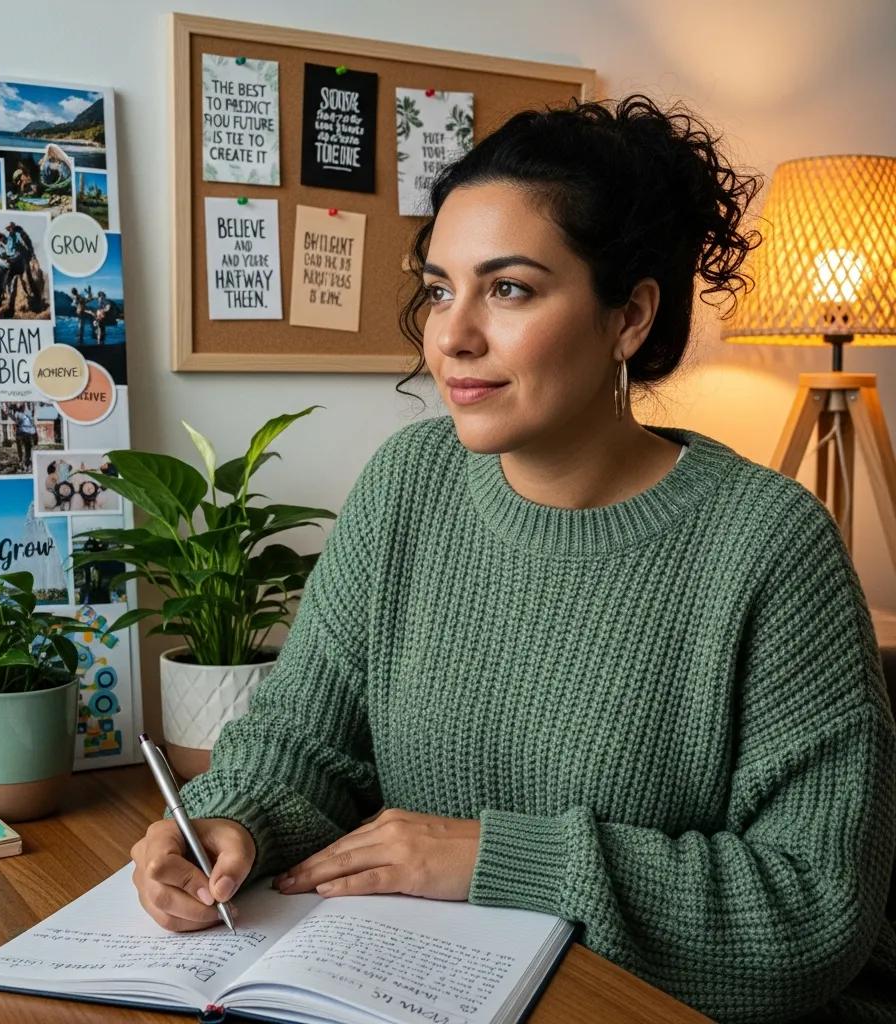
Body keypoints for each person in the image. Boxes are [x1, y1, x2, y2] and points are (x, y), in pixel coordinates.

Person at [129, 94, 896, 1023]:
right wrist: (229, 820)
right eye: (440, 289)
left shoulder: (769, 545)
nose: (452, 336)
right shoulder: (409, 484)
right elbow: (305, 741)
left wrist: (498, 859)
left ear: (630, 316)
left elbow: (813, 910)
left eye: (510, 290)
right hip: (412, 989)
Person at [12, 404, 37, 472]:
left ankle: (24, 465)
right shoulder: (27, 414)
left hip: (23, 434)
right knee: (27, 450)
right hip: (27, 434)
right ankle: (26, 465)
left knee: (23, 450)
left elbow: (16, 423)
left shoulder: (17, 414)